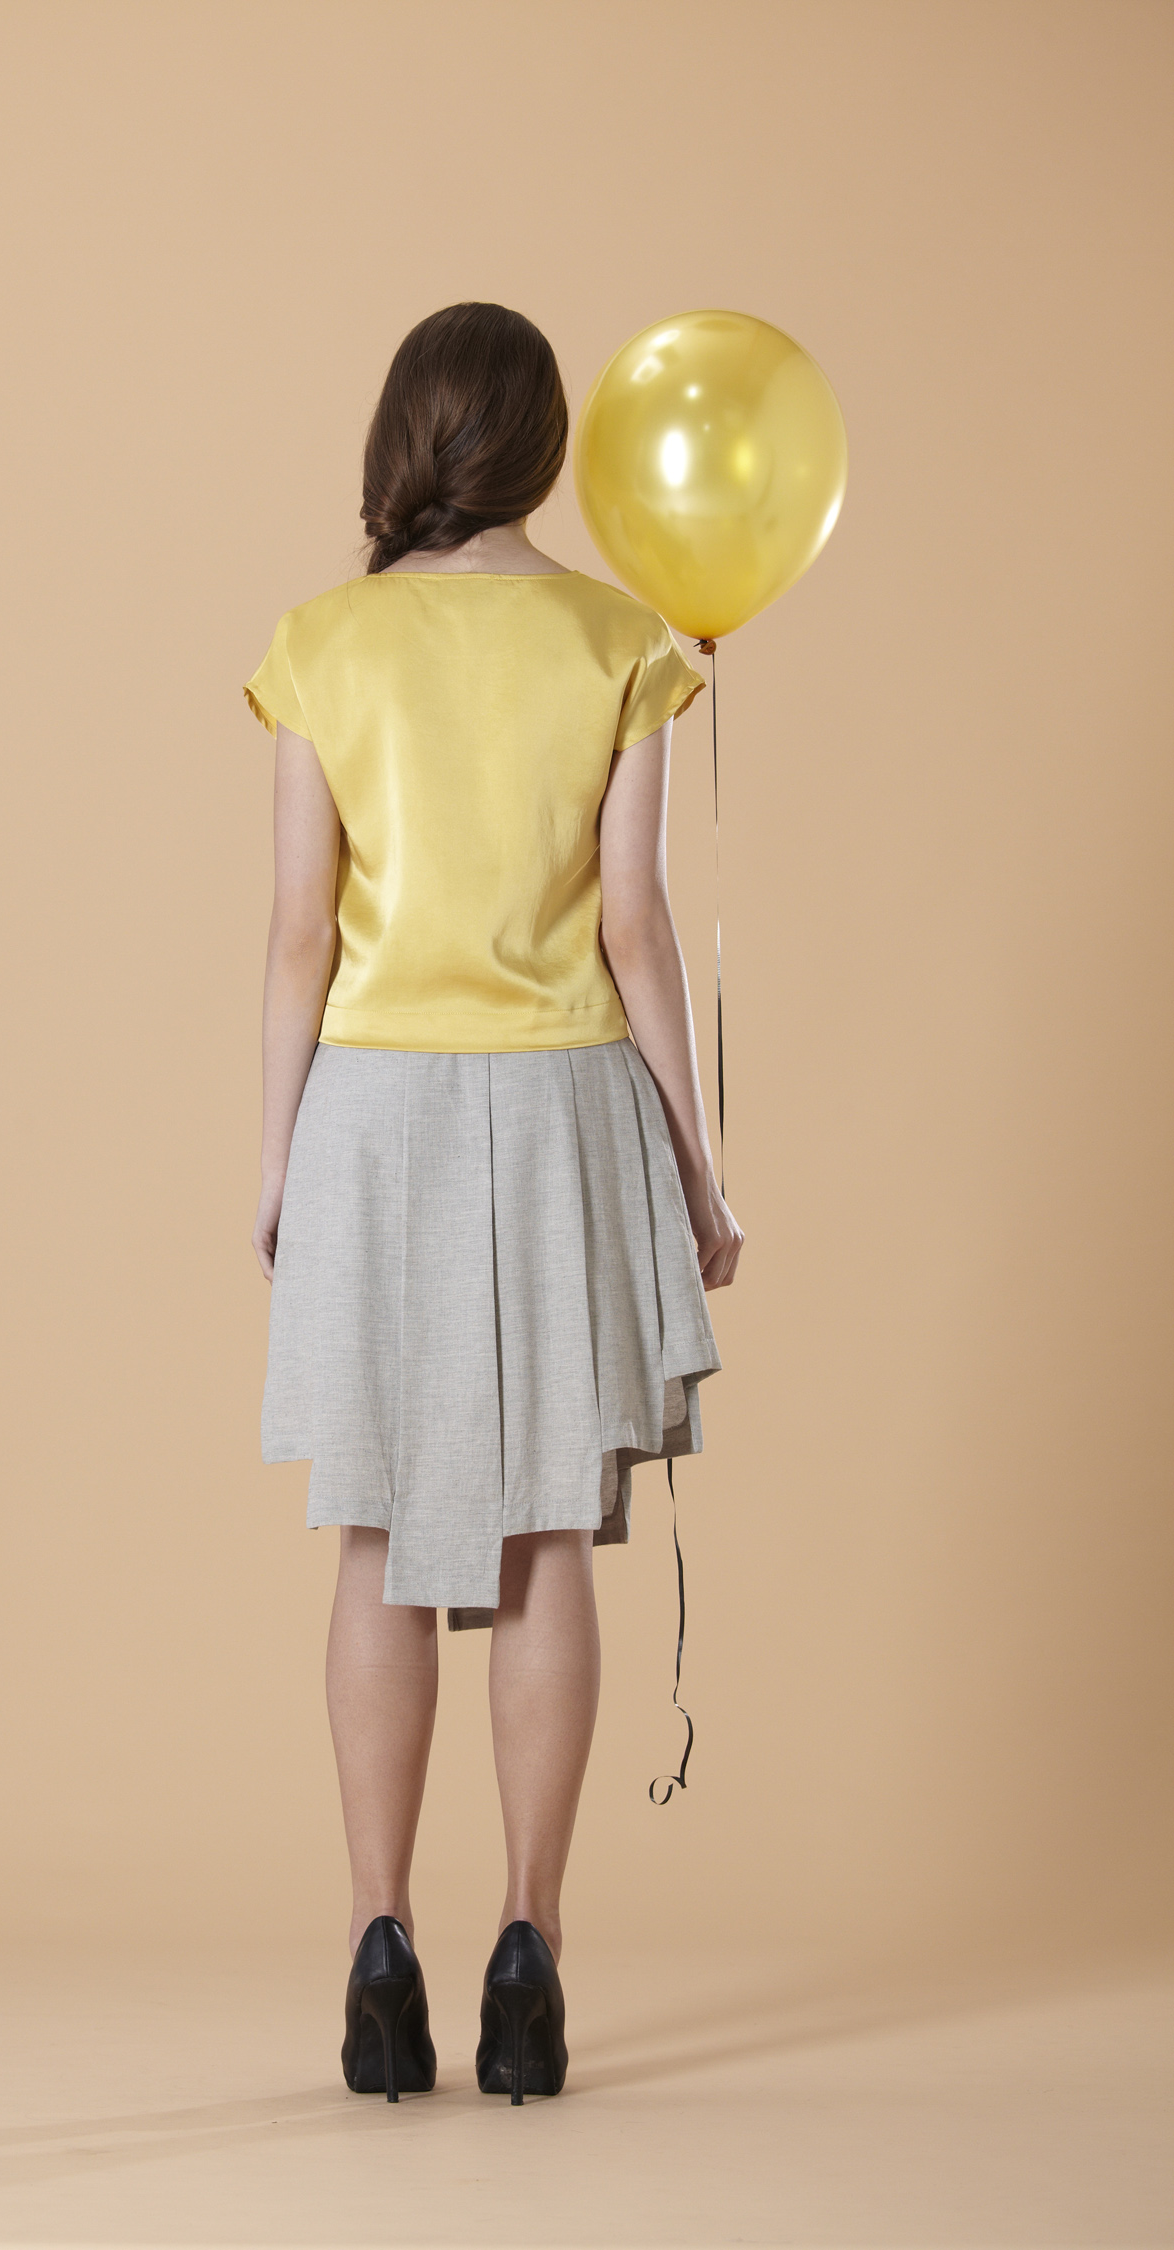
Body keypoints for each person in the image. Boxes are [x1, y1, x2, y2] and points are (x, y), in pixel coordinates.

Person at [243, 302, 743, 2106]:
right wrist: (696, 1165)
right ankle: (529, 1945)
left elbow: (298, 932)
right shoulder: (618, 640)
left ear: (406, 434)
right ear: (545, 448)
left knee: (376, 1526)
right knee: (543, 1533)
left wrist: (278, 1156)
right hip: (557, 1104)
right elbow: (638, 927)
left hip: (373, 1108)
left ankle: (380, 1939)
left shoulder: (323, 641)